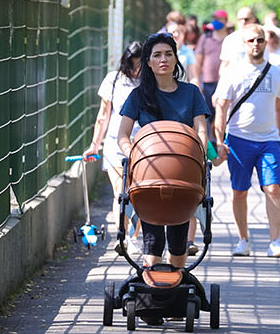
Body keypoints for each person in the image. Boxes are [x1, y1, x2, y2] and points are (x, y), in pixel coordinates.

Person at [117, 30, 208, 274]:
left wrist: (198, 157)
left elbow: (201, 132)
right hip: (149, 172)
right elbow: (122, 135)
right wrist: (134, 153)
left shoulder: (191, 93)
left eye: (169, 54)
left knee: (179, 238)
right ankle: (152, 288)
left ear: (176, 58)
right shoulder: (139, 96)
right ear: (148, 61)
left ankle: (176, 284)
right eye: (157, 55)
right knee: (153, 236)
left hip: (183, 171)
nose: (163, 59)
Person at [214, 17, 280, 258]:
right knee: (239, 191)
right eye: (251, 40)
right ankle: (243, 240)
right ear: (243, 43)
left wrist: (279, 136)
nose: (256, 44)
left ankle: (275, 241)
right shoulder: (233, 71)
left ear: (266, 42)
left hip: (268, 141)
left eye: (260, 40)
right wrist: (219, 139)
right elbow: (221, 107)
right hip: (238, 139)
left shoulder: (276, 72)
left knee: (273, 188)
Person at [86, 39, 143, 227]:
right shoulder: (113, 79)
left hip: (143, 144)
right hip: (115, 143)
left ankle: (134, 238)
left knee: (140, 193)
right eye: (132, 64)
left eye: (140, 65)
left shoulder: (150, 83)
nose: (135, 70)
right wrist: (94, 146)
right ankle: (123, 236)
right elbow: (103, 116)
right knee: (120, 190)